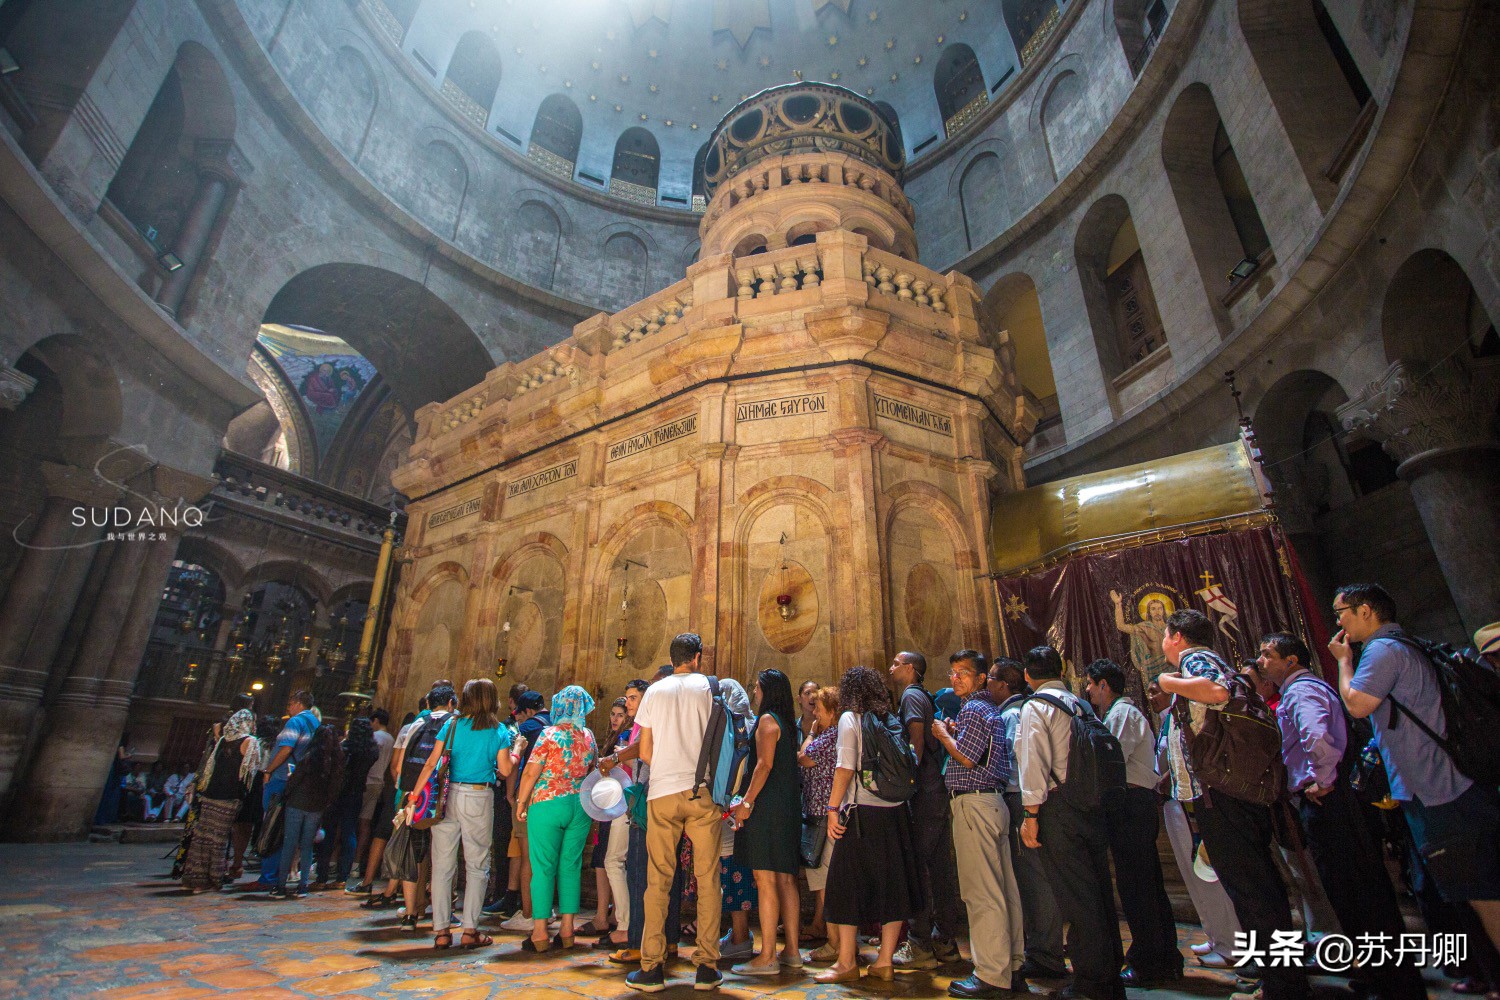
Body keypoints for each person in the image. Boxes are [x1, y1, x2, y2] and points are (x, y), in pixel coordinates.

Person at [1257, 631, 1426, 1000]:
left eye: (1268, 654)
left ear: (1292, 660)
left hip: (1331, 802)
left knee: (1359, 892)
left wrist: (1320, 779)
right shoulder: (1301, 689)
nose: (1261, 662)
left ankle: (1394, 985)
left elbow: (1316, 735)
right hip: (1334, 800)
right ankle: (1381, 978)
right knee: (1355, 892)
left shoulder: (1300, 690)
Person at [1331, 583, 1500, 953]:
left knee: (1483, 894)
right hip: (1445, 781)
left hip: (1439, 787)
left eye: (1340, 612)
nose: (1338, 622)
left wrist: (1343, 662)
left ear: (1365, 611)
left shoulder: (1381, 649)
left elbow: (1357, 704)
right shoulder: (1404, 643)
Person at [1159, 610, 1308, 1000]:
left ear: (1175, 636)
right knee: (1254, 889)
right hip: (1227, 791)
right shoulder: (1207, 661)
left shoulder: (1196, 661)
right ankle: (1275, 979)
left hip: (1224, 791)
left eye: (1164, 635)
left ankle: (1283, 986)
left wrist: (1166, 679)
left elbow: (1219, 693)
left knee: (1254, 892)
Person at [1019, 645, 1125, 1000]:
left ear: (1027, 675)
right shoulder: (1080, 704)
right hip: (1092, 806)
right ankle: (1110, 979)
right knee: (1097, 893)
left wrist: (1030, 815)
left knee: (1078, 899)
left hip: (1059, 809)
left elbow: (1033, 763)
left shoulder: (1036, 706)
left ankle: (1092, 985)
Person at [625, 633, 724, 993]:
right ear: (697, 657)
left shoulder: (655, 691)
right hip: (702, 790)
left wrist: (668, 766)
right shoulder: (711, 688)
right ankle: (707, 966)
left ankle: (651, 966)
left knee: (658, 879)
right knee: (708, 878)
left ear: (673, 658)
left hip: (662, 792)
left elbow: (646, 751)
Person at [815, 665, 922, 986]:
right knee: (894, 887)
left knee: (843, 886)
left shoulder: (851, 718)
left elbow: (845, 767)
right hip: (897, 813)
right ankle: (885, 962)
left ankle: (847, 961)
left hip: (862, 814)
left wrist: (833, 808)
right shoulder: (890, 720)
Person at [1084, 658, 1182, 988]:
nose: (1087, 690)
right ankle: (1163, 957)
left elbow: (1112, 761)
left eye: (1090, 684)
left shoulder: (1123, 713)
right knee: (1143, 883)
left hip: (1131, 804)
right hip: (1130, 803)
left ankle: (1150, 962)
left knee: (1138, 885)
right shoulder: (1116, 713)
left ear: (1104, 685)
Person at [930, 650, 1022, 999]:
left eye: (964, 673)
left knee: (981, 892)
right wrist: (956, 733)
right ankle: (1011, 965)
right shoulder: (988, 709)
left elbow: (967, 758)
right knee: (1003, 889)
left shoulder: (972, 708)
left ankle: (990, 975)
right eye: (953, 672)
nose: (955, 678)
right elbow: (978, 750)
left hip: (974, 802)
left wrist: (943, 735)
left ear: (982, 678)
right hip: (993, 801)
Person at [406, 678, 521, 949]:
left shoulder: (452, 724)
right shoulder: (498, 730)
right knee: (477, 865)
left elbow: (431, 763)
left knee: (443, 865)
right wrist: (517, 751)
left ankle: (442, 930)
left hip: (446, 797)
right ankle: (470, 930)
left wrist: (414, 796)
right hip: (478, 796)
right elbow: (505, 771)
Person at [989, 657, 1066, 981]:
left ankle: (1045, 953)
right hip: (1047, 799)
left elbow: (1017, 762)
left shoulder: (1012, 714)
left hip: (1024, 799)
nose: (988, 684)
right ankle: (1045, 947)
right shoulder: (1043, 706)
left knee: (1034, 878)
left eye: (991, 679)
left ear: (1005, 684)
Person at [889, 650, 961, 970]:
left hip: (923, 792)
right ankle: (945, 940)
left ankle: (919, 943)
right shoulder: (922, 696)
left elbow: (915, 740)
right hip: (937, 791)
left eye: (896, 664)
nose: (891, 668)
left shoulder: (911, 696)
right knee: (940, 868)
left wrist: (907, 780)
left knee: (917, 866)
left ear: (911, 669)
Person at [729, 668, 803, 976]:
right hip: (786, 807)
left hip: (768, 807)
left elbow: (763, 765)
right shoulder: (787, 723)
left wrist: (746, 803)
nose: (755, 693)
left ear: (767, 691)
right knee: (786, 879)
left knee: (765, 880)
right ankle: (793, 952)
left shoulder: (768, 721)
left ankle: (768, 955)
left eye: (757, 688)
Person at [516, 685, 597, 952]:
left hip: (548, 801)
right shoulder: (588, 736)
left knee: (543, 867)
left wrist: (521, 801)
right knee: (571, 866)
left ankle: (540, 932)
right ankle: (567, 930)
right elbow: (592, 769)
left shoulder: (548, 735)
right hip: (580, 805)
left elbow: (530, 772)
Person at [182, 709, 261, 892]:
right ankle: (212, 879)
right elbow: (249, 772)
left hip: (211, 793)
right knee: (218, 839)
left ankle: (195, 878)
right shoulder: (250, 742)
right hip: (229, 796)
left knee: (202, 836)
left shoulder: (222, 741)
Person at [272, 720, 344, 898]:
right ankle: (302, 885)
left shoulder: (309, 757)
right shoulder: (336, 761)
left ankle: (280, 886)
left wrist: (287, 793)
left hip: (297, 803)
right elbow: (335, 788)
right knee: (307, 845)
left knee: (290, 843)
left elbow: (294, 780)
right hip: (316, 806)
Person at [258, 690, 320, 889]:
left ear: (298, 703)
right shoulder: (317, 725)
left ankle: (269, 876)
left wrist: (269, 769)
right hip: (303, 784)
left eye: (290, 704)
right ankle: (284, 876)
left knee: (273, 825)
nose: (288, 708)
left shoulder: (295, 722)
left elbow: (285, 748)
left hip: (283, 778)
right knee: (290, 831)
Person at [715, 679, 758, 964]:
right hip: (740, 808)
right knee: (732, 872)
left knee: (731, 872)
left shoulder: (730, 727)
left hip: (728, 807)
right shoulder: (752, 727)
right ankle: (738, 933)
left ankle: (741, 936)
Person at [503, 688, 551, 931]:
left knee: (526, 857)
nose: (519, 720)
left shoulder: (528, 728)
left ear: (528, 711)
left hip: (529, 794)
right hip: (553, 796)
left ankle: (529, 912)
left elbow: (515, 763)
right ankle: (546, 909)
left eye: (520, 715)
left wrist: (512, 795)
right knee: (546, 857)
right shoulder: (556, 724)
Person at [584, 697, 631, 939]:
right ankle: (606, 914)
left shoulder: (628, 740)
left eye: (620, 715)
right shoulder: (614, 739)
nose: (614, 719)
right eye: (612, 714)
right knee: (602, 859)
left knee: (609, 860)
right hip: (608, 804)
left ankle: (606, 915)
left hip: (619, 805)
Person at [313, 716, 378, 890]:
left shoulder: (346, 748)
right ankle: (342, 877)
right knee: (349, 833)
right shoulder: (371, 751)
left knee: (330, 833)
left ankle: (322, 876)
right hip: (356, 793)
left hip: (339, 793)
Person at [798, 685, 839, 956]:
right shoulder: (835, 734)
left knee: (824, 875)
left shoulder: (828, 736)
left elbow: (803, 757)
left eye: (820, 710)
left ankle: (831, 937)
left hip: (824, 812)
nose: (816, 714)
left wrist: (812, 732)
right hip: (822, 810)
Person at [351, 708, 394, 892]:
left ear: (375, 720)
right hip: (380, 783)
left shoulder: (375, 737)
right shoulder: (391, 739)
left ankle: (351, 862)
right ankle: (356, 864)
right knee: (366, 823)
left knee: (354, 822)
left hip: (366, 780)